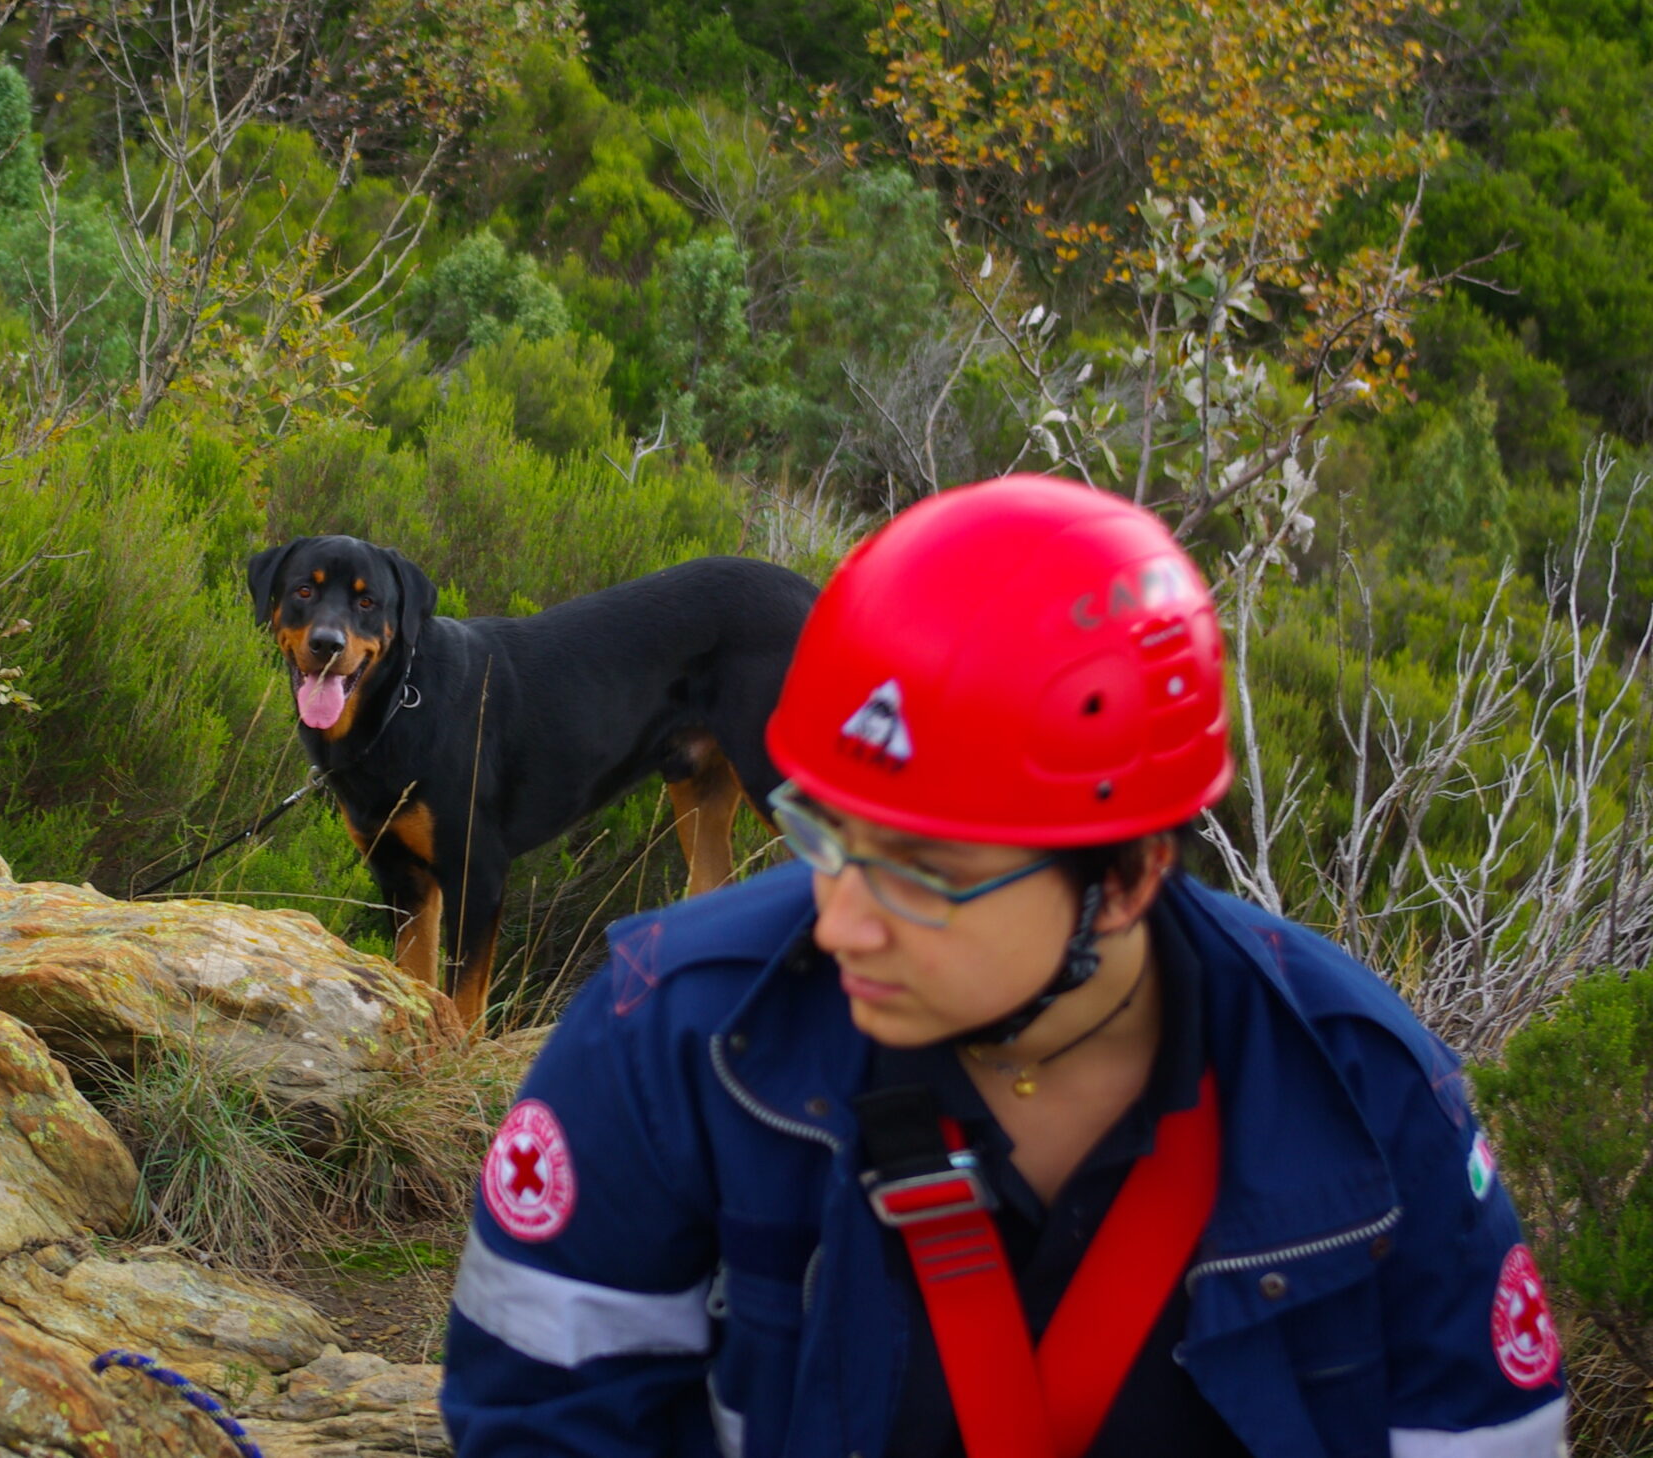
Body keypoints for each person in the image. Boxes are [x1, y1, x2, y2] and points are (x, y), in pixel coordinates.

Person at [441, 475, 1567, 1458]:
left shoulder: (1366, 1106)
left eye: (923, 873)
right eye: (827, 836)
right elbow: (540, 1414)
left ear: (1125, 880)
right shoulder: (675, 1036)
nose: (837, 923)